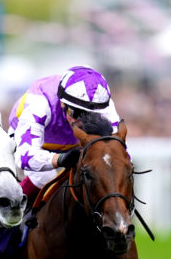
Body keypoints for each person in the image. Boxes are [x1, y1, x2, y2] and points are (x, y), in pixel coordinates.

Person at [8, 65, 121, 204]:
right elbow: (24, 156)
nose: (80, 122)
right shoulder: (40, 102)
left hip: (71, 145)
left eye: (89, 115)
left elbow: (120, 152)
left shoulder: (103, 106)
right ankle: (5, 215)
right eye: (76, 113)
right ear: (62, 104)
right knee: (44, 177)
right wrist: (60, 159)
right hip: (32, 140)